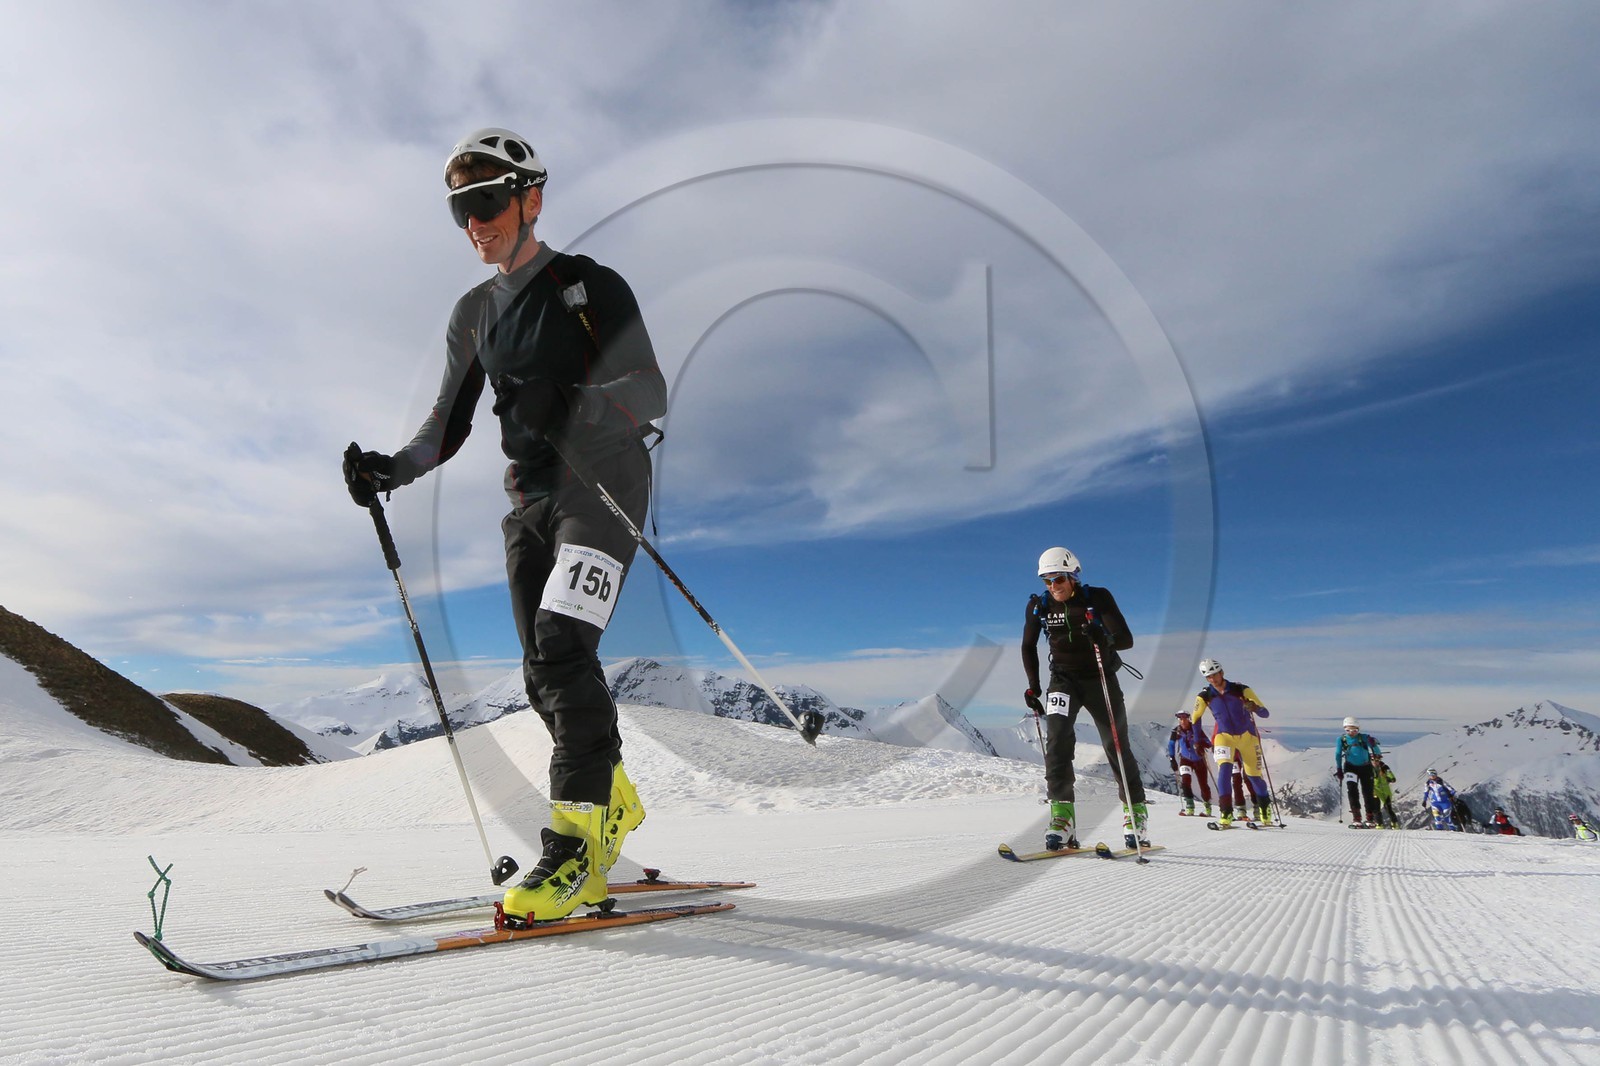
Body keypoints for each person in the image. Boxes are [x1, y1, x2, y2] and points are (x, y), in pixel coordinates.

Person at [342, 127, 667, 925]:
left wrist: (581, 407)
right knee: (539, 672)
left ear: (530, 198)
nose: (474, 223)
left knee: (562, 645)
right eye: (460, 210)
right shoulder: (474, 313)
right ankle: (610, 796)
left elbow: (649, 389)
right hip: (530, 503)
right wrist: (391, 467)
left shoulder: (587, 287)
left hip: (605, 485)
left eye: (487, 202)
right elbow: (443, 426)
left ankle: (577, 853)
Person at [1021, 547, 1147, 850]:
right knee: (1058, 741)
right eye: (1048, 580)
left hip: (1099, 677)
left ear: (1073, 576)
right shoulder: (1038, 606)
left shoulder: (1097, 597)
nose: (1054, 586)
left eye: (1059, 579)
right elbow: (1027, 645)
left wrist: (1104, 637)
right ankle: (1062, 817)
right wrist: (1033, 687)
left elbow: (1126, 640)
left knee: (1114, 743)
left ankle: (1136, 814)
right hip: (1062, 679)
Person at [1193, 660, 1272, 828]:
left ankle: (1265, 808)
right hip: (1224, 736)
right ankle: (1226, 813)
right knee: (1225, 770)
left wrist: (1254, 707)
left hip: (1247, 736)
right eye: (1208, 677)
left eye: (1214, 675)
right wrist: (1197, 739)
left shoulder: (1241, 689)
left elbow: (1265, 713)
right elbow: (1195, 718)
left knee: (1253, 776)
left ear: (1221, 672)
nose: (1212, 679)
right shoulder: (1205, 695)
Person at [1334, 717, 1382, 827]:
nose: (1351, 733)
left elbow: (1377, 752)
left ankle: (1370, 818)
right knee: (1352, 791)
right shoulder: (1341, 740)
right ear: (1345, 729)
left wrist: (1373, 744)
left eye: (1354, 730)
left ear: (1358, 729)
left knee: (1368, 792)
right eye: (1348, 730)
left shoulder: (1365, 738)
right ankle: (1357, 818)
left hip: (1366, 767)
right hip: (1351, 767)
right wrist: (1339, 769)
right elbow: (1337, 754)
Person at [1167, 709, 1213, 817]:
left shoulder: (1196, 730)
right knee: (1185, 781)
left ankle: (1207, 807)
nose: (1182, 721)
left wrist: (1201, 745)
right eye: (1180, 719)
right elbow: (1171, 745)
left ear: (1188, 718)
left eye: (1184, 718)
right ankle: (1190, 807)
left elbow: (1208, 742)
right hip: (1185, 759)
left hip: (1199, 760)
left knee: (1203, 784)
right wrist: (1172, 759)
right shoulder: (1176, 731)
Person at [1371, 756, 1400, 829]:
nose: (1375, 762)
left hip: (1385, 790)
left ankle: (1394, 823)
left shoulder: (1384, 767)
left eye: (1377, 760)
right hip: (1375, 789)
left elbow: (1389, 773)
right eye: (1373, 760)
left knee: (1388, 807)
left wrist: (1391, 778)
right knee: (1376, 807)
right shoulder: (1369, 768)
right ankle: (1379, 823)